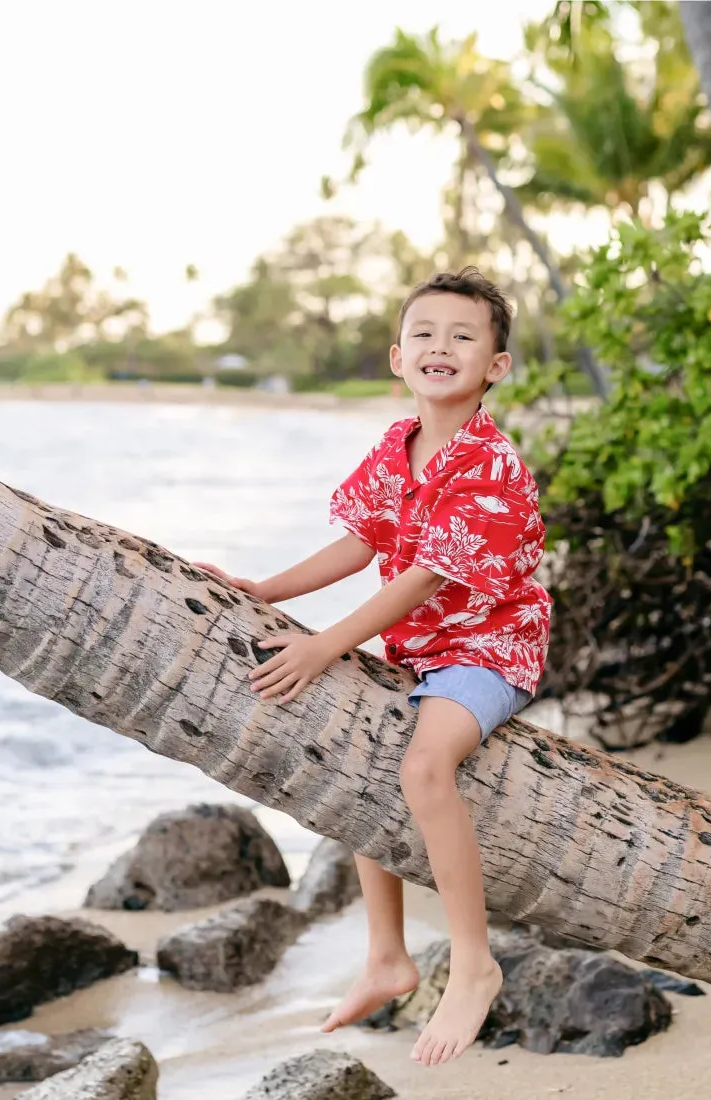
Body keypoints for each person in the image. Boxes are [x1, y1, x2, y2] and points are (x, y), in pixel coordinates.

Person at [196, 269, 551, 1066]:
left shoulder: (492, 468)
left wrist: (325, 644)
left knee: (425, 767)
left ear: (495, 365)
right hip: (418, 649)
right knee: (362, 764)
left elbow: (422, 576)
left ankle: (472, 962)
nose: (441, 347)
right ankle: (386, 957)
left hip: (490, 649)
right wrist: (266, 587)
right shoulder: (398, 448)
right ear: (398, 357)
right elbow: (361, 541)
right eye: (424, 333)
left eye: (464, 336)